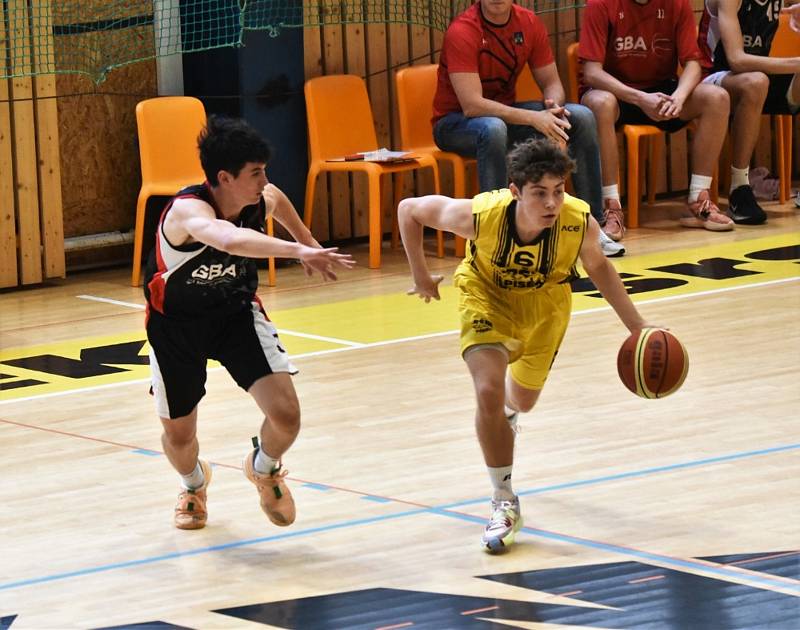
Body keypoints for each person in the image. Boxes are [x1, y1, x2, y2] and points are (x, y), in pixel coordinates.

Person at [398, 138, 657, 552]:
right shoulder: (481, 215)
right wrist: (421, 274)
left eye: (558, 190)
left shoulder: (579, 222)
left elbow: (601, 269)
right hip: (485, 296)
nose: (552, 202)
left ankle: (505, 416)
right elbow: (409, 209)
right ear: (516, 191)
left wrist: (636, 326)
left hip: (545, 307)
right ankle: (504, 499)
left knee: (522, 401)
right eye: (540, 193)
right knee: (487, 390)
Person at [143, 115, 355, 530]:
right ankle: (193, 484)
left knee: (287, 415)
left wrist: (309, 242)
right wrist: (297, 251)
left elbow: (278, 198)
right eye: (255, 173)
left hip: (235, 314)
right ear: (224, 177)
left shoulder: (260, 197)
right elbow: (228, 239)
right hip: (176, 327)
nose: (264, 180)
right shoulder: (188, 212)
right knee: (180, 438)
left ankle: (265, 468)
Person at [432, 0, 626, 258]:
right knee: (492, 129)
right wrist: (535, 119)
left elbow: (551, 82)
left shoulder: (528, 22)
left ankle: (592, 227)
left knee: (581, 116)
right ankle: (496, 234)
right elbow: (472, 105)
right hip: (454, 124)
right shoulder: (463, 31)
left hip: (504, 116)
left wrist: (554, 110)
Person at [578, 0, 734, 242]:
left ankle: (698, 198)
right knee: (600, 104)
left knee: (717, 97)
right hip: (616, 91)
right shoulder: (600, 4)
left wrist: (679, 97)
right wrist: (640, 99)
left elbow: (693, 63)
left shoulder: (677, 4)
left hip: (662, 92)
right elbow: (592, 73)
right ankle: (610, 206)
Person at [697, 0, 800, 224]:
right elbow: (736, 60)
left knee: (758, 82)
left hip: (755, 79)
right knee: (756, 82)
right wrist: (796, 63)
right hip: (710, 82)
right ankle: (739, 187)